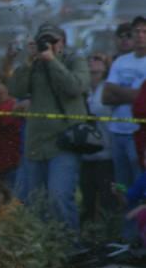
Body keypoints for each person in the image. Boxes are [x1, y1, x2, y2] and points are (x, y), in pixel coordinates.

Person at [9, 22, 88, 237]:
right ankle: (44, 246)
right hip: (36, 143)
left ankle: (69, 244)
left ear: (63, 42)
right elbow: (15, 89)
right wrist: (27, 62)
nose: (49, 46)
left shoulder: (74, 61)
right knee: (36, 200)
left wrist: (52, 61)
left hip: (64, 142)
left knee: (59, 195)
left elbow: (75, 87)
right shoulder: (34, 65)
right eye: (45, 41)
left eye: (54, 41)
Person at [102, 16, 146, 195]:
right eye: (136, 31)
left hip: (138, 133)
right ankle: (124, 220)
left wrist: (116, 89)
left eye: (144, 32)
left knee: (139, 183)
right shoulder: (121, 61)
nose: (140, 35)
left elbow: (141, 98)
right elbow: (105, 97)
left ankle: (139, 222)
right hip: (117, 131)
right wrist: (134, 96)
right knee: (121, 185)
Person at [81, 53, 117, 222]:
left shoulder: (108, 88)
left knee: (106, 197)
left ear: (105, 66)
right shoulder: (82, 89)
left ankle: (108, 234)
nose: (92, 62)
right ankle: (89, 235)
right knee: (87, 199)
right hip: (84, 154)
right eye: (90, 59)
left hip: (106, 153)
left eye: (97, 59)